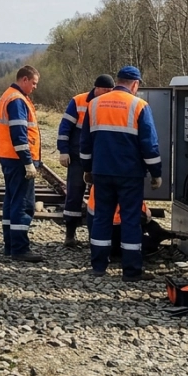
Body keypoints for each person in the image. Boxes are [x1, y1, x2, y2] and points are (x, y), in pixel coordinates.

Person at [78, 66, 162, 281]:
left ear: (118, 81)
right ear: (135, 84)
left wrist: (87, 169)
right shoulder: (139, 105)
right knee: (131, 220)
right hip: (129, 174)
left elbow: (85, 143)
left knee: (102, 218)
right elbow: (149, 145)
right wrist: (156, 173)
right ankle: (131, 271)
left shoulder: (94, 104)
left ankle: (98, 267)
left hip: (102, 172)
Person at [56, 74, 115, 248]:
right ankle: (70, 235)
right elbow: (65, 127)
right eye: (105, 90)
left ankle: (94, 236)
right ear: (96, 88)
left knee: (97, 198)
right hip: (77, 158)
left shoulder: (109, 102)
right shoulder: (79, 101)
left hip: (99, 160)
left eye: (110, 91)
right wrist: (63, 151)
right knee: (74, 195)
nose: (107, 94)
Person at [0, 65, 42, 262]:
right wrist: (28, 162)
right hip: (18, 160)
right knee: (23, 203)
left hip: (8, 157)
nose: (34, 87)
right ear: (24, 79)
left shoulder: (10, 95)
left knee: (12, 201)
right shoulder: (17, 100)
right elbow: (19, 134)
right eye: (33, 83)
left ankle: (10, 245)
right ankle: (20, 249)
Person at [84, 184, 174, 258]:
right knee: (147, 244)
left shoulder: (100, 178)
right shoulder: (128, 181)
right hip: (114, 230)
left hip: (97, 230)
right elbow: (141, 215)